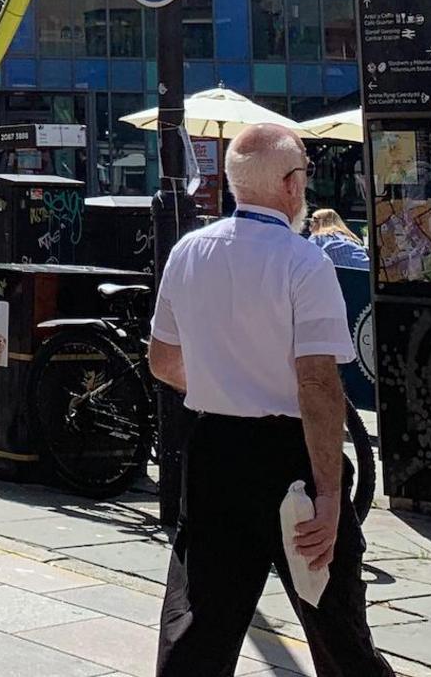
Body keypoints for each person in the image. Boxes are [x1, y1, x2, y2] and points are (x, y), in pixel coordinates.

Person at [149, 123, 393, 677]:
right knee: (334, 622)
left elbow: (162, 362)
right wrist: (331, 495)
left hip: (214, 447)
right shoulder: (304, 262)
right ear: (289, 184)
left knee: (200, 623)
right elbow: (317, 385)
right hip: (290, 455)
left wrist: (220, 380)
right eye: (303, 174)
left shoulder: (189, 251)